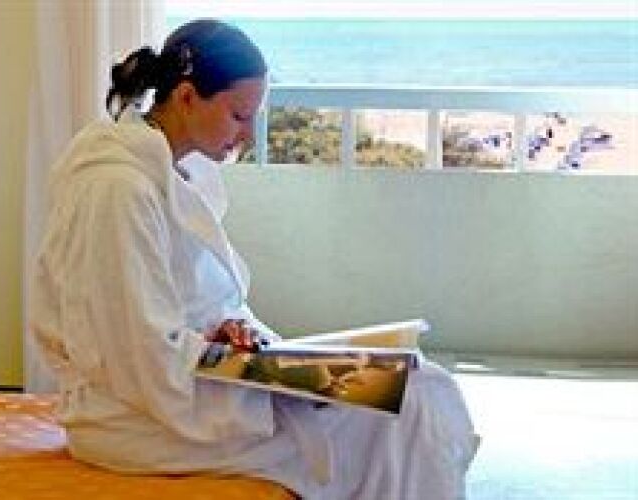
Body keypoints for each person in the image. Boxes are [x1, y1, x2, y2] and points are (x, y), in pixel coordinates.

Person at [27, 19, 479, 499]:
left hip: (186, 383)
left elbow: (178, 309)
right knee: (407, 402)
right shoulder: (116, 189)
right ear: (186, 97)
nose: (246, 135)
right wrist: (276, 385)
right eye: (239, 116)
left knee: (419, 381)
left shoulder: (169, 174)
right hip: (137, 419)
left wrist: (230, 337)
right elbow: (135, 355)